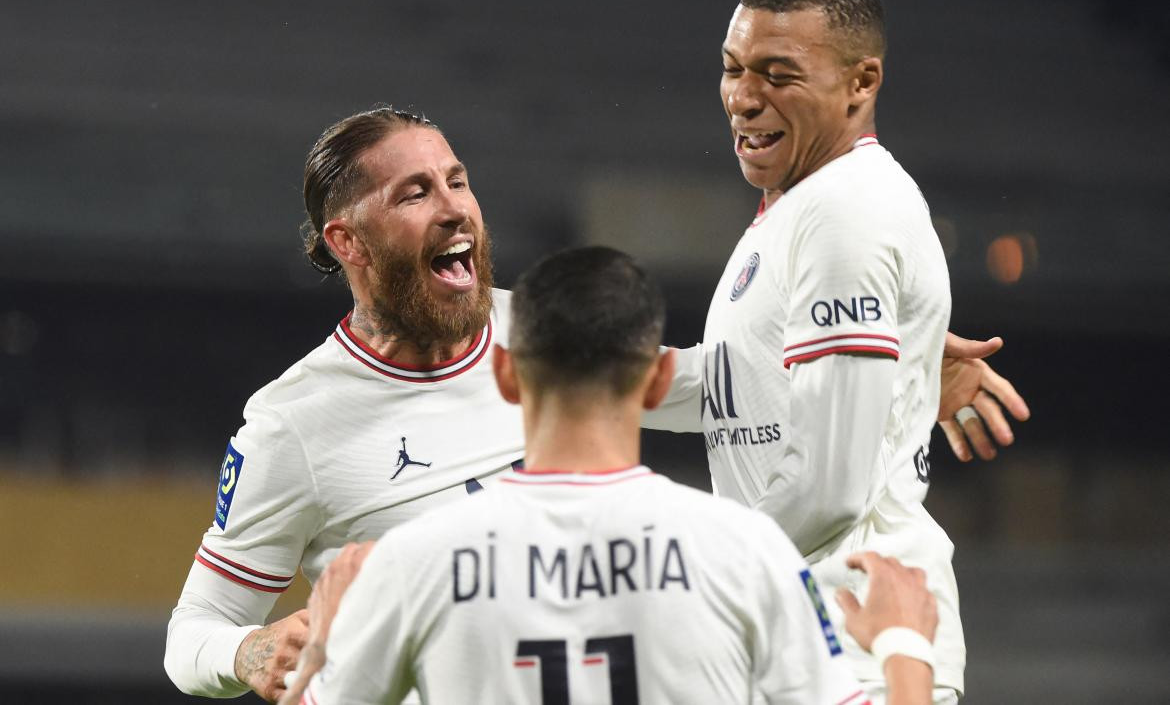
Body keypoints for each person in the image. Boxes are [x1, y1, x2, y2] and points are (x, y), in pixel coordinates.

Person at [164, 106, 1022, 702]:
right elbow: (193, 631)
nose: (454, 204)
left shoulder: (537, 331)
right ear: (346, 240)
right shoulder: (295, 423)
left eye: (457, 179)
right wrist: (244, 649)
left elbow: (709, 383)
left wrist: (884, 360)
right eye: (414, 192)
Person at [278, 247, 940, 705]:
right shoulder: (746, 549)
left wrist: (327, 649)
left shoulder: (413, 560)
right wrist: (904, 641)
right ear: (657, 381)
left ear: (505, 374)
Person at [704, 0, 996, 702]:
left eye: (777, 73)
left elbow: (828, 488)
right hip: (806, 637)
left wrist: (699, 579)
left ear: (861, 83)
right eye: (734, 68)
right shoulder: (804, 203)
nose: (742, 97)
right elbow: (738, 381)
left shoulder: (846, 212)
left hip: (855, 645)